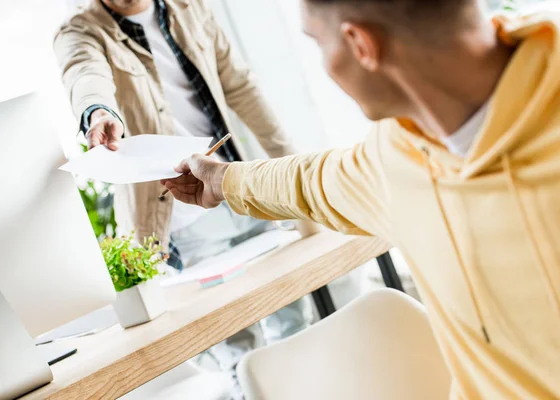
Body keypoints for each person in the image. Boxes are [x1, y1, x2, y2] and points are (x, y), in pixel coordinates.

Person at [161, 0, 560, 398]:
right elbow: (312, 181)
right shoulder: (399, 155)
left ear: (360, 45)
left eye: (318, 43)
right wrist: (221, 179)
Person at [54, 0, 313, 370]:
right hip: (184, 216)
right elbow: (84, 74)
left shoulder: (190, 7)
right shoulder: (81, 30)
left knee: (293, 320)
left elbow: (240, 87)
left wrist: (290, 170)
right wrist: (99, 111)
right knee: (239, 349)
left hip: (238, 186)